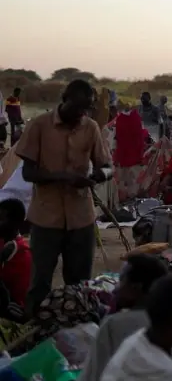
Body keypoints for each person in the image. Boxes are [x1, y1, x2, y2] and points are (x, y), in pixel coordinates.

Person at [15, 79, 112, 316]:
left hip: (81, 218)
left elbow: (109, 166)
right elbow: (28, 173)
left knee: (80, 285)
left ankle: (76, 333)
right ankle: (34, 337)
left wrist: (99, 175)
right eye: (77, 107)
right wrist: (64, 177)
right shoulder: (39, 126)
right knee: (40, 283)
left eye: (86, 108)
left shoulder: (90, 128)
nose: (81, 113)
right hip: (46, 218)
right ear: (64, 99)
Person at [70, 254, 170, 381]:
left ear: (136, 287)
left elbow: (92, 380)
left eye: (121, 281)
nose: (116, 289)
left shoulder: (116, 325)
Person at [0, 198, 31, 322]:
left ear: (15, 224)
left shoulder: (19, 252)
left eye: (1, 220)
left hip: (15, 312)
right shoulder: (5, 241)